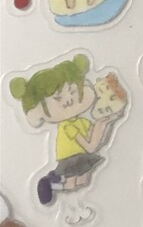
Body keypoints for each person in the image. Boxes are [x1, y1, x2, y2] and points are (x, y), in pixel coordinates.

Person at [9, 54, 124, 206]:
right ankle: (51, 182)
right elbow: (90, 146)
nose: (69, 99)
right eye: (58, 98)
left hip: (81, 155)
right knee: (72, 184)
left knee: (82, 181)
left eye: (72, 91)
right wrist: (101, 124)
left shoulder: (83, 121)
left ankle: (65, 191)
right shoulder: (67, 126)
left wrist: (105, 122)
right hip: (70, 158)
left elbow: (95, 141)